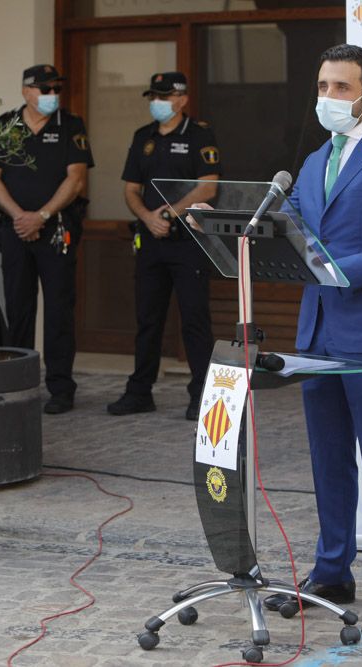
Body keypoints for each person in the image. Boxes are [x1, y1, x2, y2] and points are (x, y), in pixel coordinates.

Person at [262, 44, 362, 635]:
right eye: (322, 85)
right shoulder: (311, 161)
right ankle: (332, 572)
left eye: (340, 87)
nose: (328, 97)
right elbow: (297, 227)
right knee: (329, 460)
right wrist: (233, 222)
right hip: (318, 330)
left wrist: (339, 270)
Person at [107, 72, 220, 421]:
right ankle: (140, 391)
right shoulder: (144, 137)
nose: (157, 102)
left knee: (195, 321)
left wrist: (171, 213)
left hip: (188, 243)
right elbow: (130, 189)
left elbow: (208, 187)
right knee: (148, 320)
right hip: (152, 242)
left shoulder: (200, 134)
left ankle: (201, 394)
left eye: (164, 96)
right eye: (153, 96)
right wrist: (147, 217)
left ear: (182, 99)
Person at [0, 64, 93, 414]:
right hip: (16, 230)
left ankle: (61, 387)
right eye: (43, 88)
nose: (51, 95)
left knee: (60, 309)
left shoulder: (70, 125)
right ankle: (20, 383)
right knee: (19, 306)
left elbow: (75, 179)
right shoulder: (6, 125)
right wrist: (19, 216)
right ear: (26, 91)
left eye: (55, 88)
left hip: (56, 228)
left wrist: (41, 216)